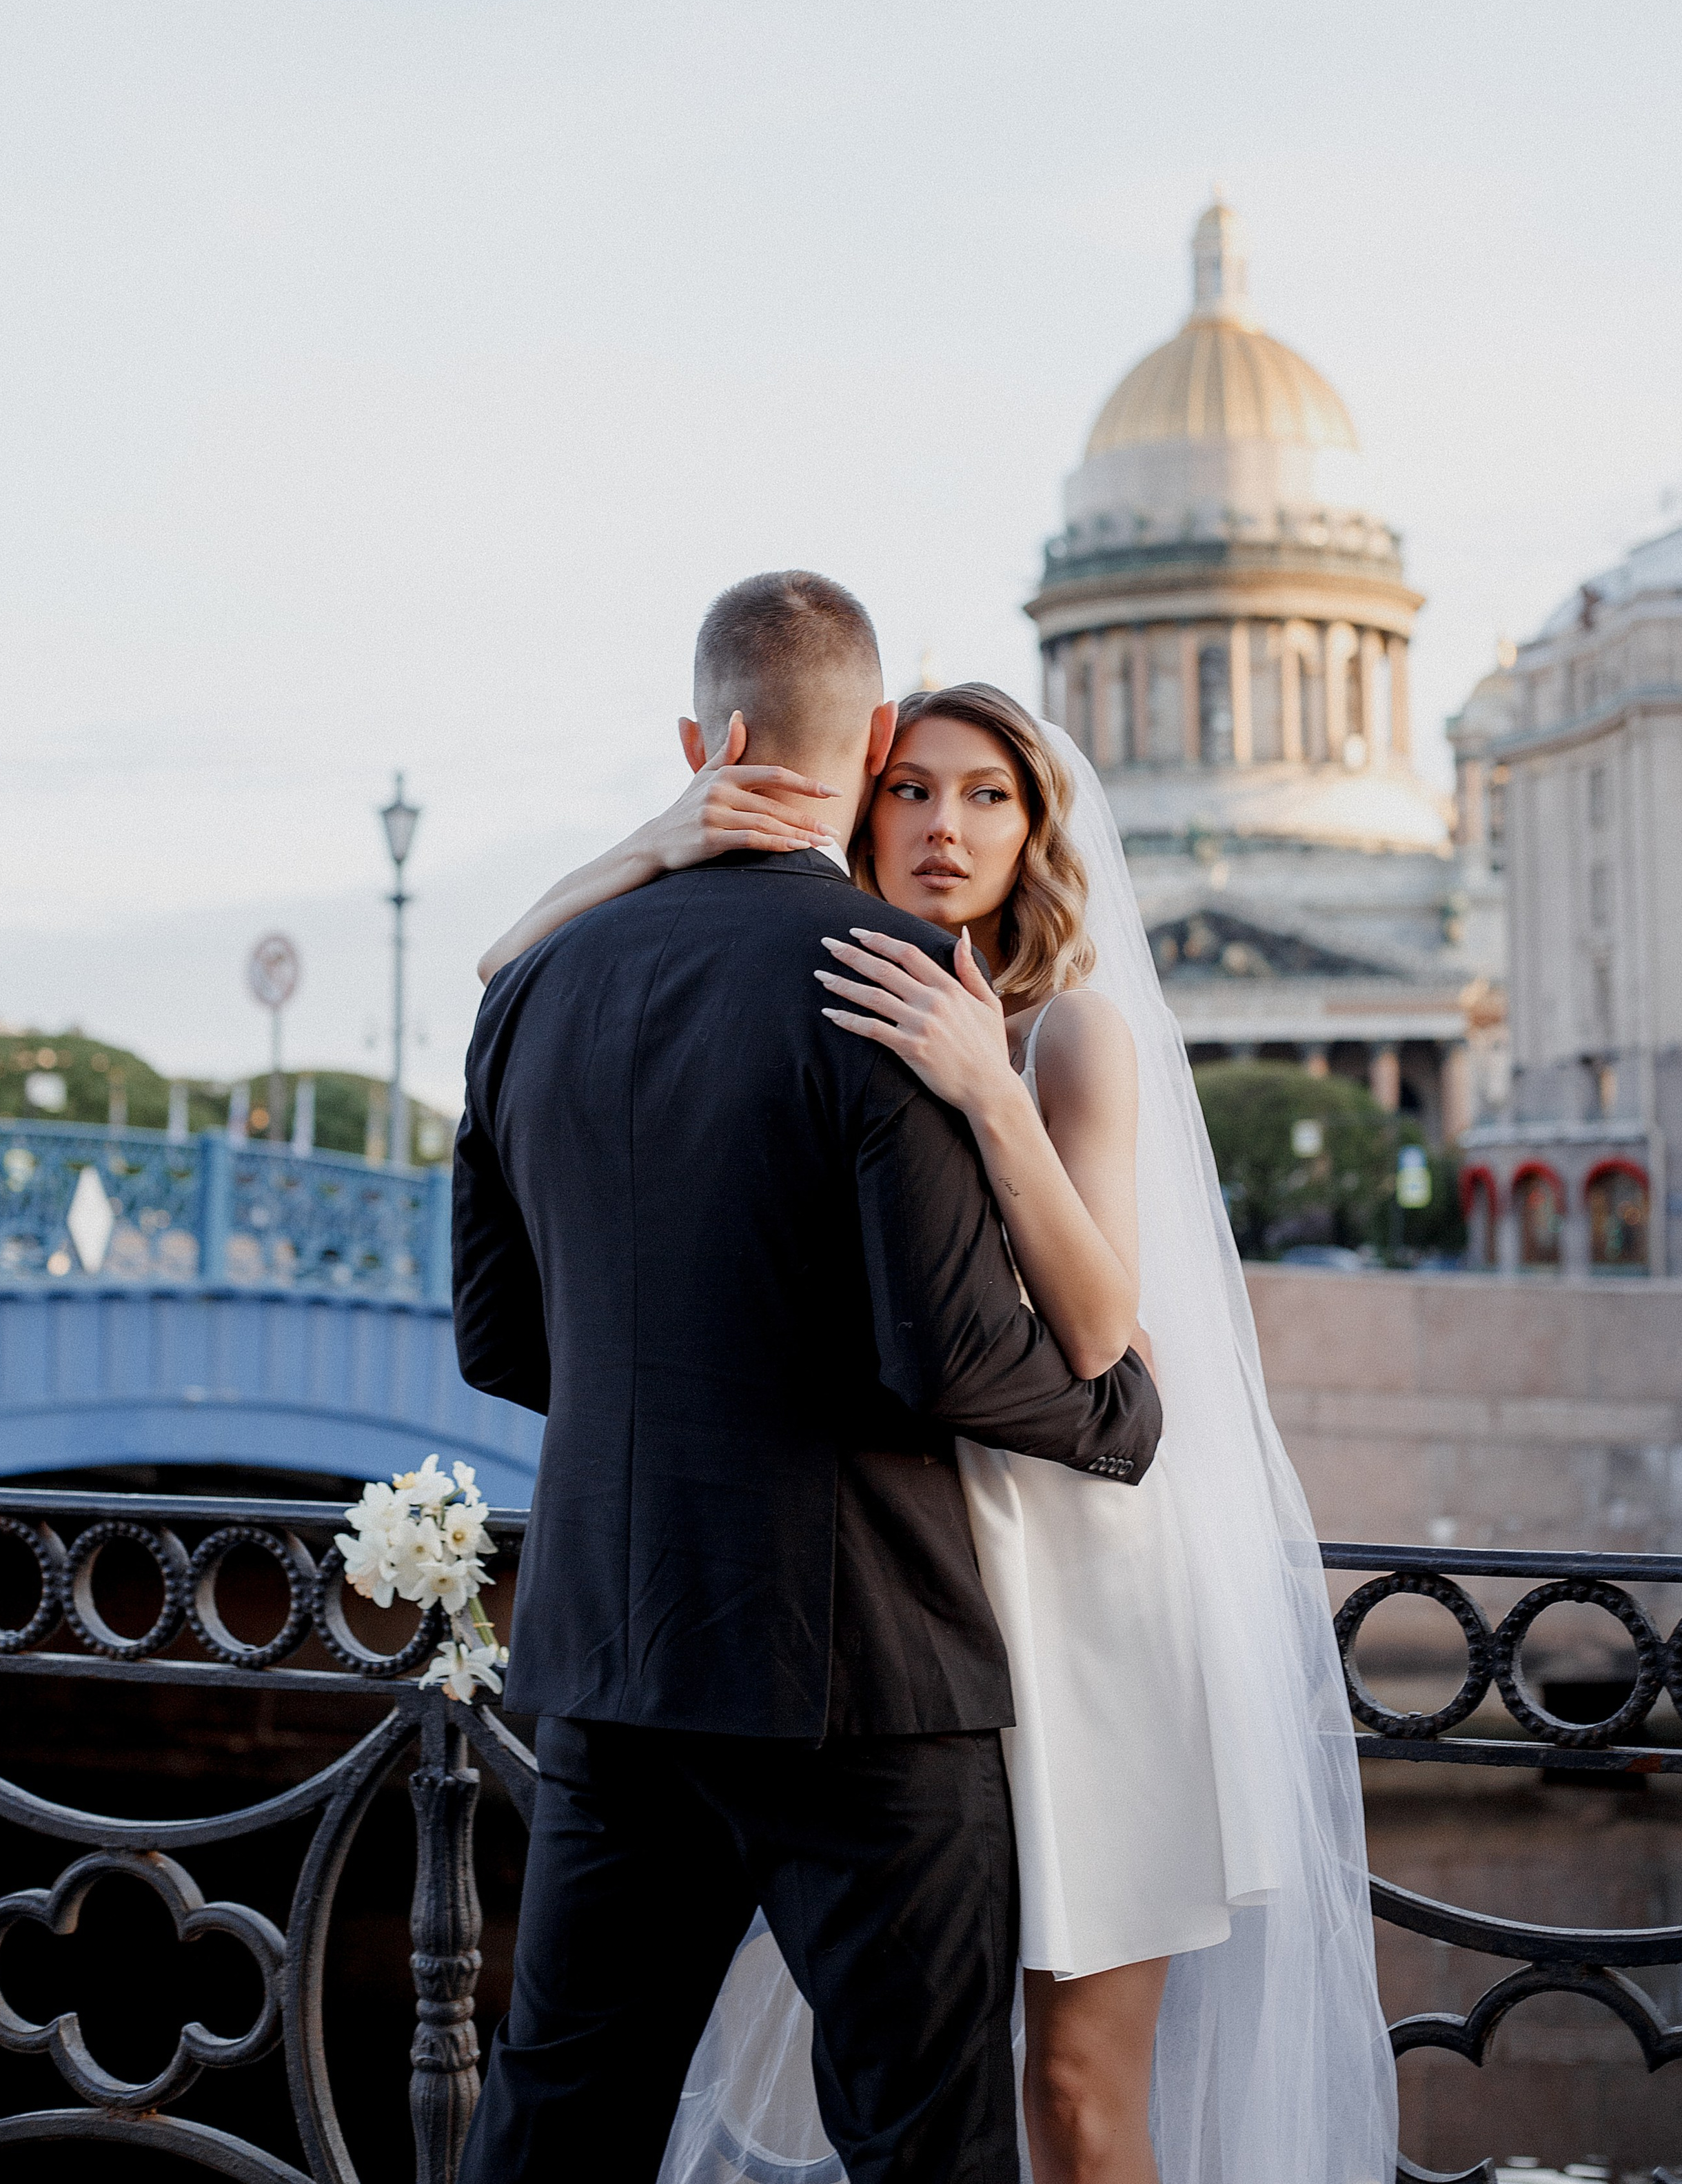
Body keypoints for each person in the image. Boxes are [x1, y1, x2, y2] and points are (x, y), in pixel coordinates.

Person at [478, 667, 1398, 2184]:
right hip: (910, 1587)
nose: (943, 827)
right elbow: (517, 997)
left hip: (1077, 1586)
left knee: (1075, 2086)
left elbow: (1103, 1336)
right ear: (856, 798)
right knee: (921, 2059)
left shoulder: (1069, 1039)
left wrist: (989, 1088)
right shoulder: (827, 988)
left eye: (986, 797)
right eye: (910, 788)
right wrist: (636, 852)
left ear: (1036, 828)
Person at [451, 571, 1163, 2184]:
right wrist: (1115, 1413)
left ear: (703, 738)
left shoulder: (528, 992)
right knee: (925, 2142)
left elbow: (502, 1340)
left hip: (613, 1661)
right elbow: (944, 1349)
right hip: (859, 1679)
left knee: (555, 2120)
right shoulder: (887, 974)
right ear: (878, 738)